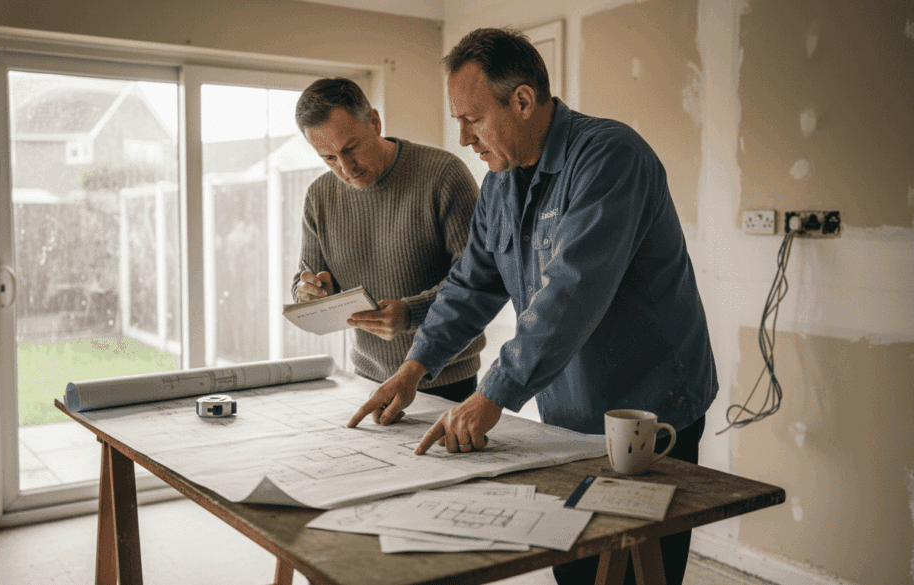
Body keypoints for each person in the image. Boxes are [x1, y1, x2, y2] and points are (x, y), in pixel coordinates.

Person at [346, 28, 718, 585]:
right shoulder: (500, 182)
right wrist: (413, 368)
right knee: (576, 566)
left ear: (521, 100)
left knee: (640, 571)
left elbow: (571, 293)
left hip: (651, 404)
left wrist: (492, 392)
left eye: (473, 119)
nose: (466, 138)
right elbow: (470, 285)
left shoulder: (609, 157)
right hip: (568, 406)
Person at [292, 77, 484, 405]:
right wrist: (309, 292)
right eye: (329, 158)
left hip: (445, 380)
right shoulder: (319, 196)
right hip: (366, 378)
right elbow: (304, 282)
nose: (345, 168)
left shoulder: (444, 175)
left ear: (375, 122)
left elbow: (479, 280)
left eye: (350, 149)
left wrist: (412, 313)